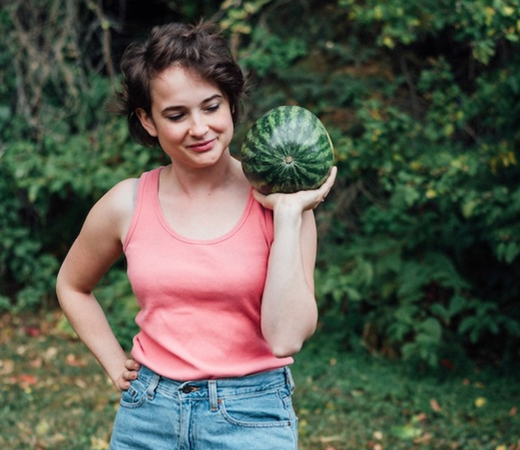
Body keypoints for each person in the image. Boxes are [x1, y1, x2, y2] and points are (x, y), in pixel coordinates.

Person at [55, 20, 337, 450]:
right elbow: (72, 285)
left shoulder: (284, 201)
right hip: (147, 415)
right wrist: (115, 364)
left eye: (211, 106)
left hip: (251, 417)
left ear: (230, 105)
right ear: (147, 120)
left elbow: (286, 337)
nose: (200, 128)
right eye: (176, 114)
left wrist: (288, 214)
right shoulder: (126, 203)